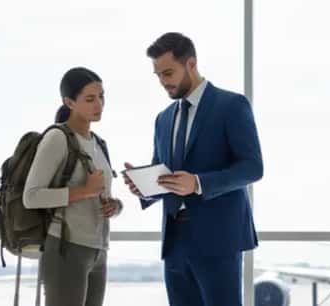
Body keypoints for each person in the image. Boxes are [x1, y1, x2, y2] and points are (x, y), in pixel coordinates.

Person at [122, 32, 263, 306]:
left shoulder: (231, 105)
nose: (163, 81)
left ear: (191, 64)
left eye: (168, 72)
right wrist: (145, 188)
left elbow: (252, 168)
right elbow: (164, 176)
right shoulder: (163, 119)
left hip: (218, 241)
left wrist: (198, 183)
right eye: (158, 75)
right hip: (175, 243)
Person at [23, 67, 122, 306]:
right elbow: (31, 197)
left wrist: (115, 206)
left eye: (101, 96)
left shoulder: (99, 143)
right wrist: (84, 191)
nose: (98, 104)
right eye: (90, 99)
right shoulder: (57, 138)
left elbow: (102, 194)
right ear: (69, 102)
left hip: (98, 249)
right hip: (67, 249)